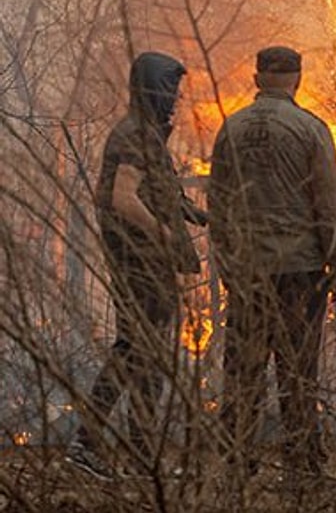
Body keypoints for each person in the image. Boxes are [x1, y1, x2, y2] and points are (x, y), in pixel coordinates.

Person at [207, 46, 336, 479]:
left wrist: (228, 264)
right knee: (298, 370)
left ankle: (236, 460)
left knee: (243, 370)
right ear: (297, 79)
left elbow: (218, 204)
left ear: (257, 79)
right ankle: (302, 463)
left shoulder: (230, 129)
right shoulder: (311, 129)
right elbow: (327, 204)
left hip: (248, 269)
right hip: (300, 271)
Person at [67, 51, 204, 480]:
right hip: (140, 263)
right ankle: (87, 443)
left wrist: (192, 212)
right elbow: (123, 199)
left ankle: (142, 455)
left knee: (144, 354)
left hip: (145, 262)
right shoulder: (135, 135)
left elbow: (151, 191)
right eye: (171, 90)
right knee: (134, 351)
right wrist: (163, 234)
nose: (176, 99)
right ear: (153, 89)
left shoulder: (144, 133)